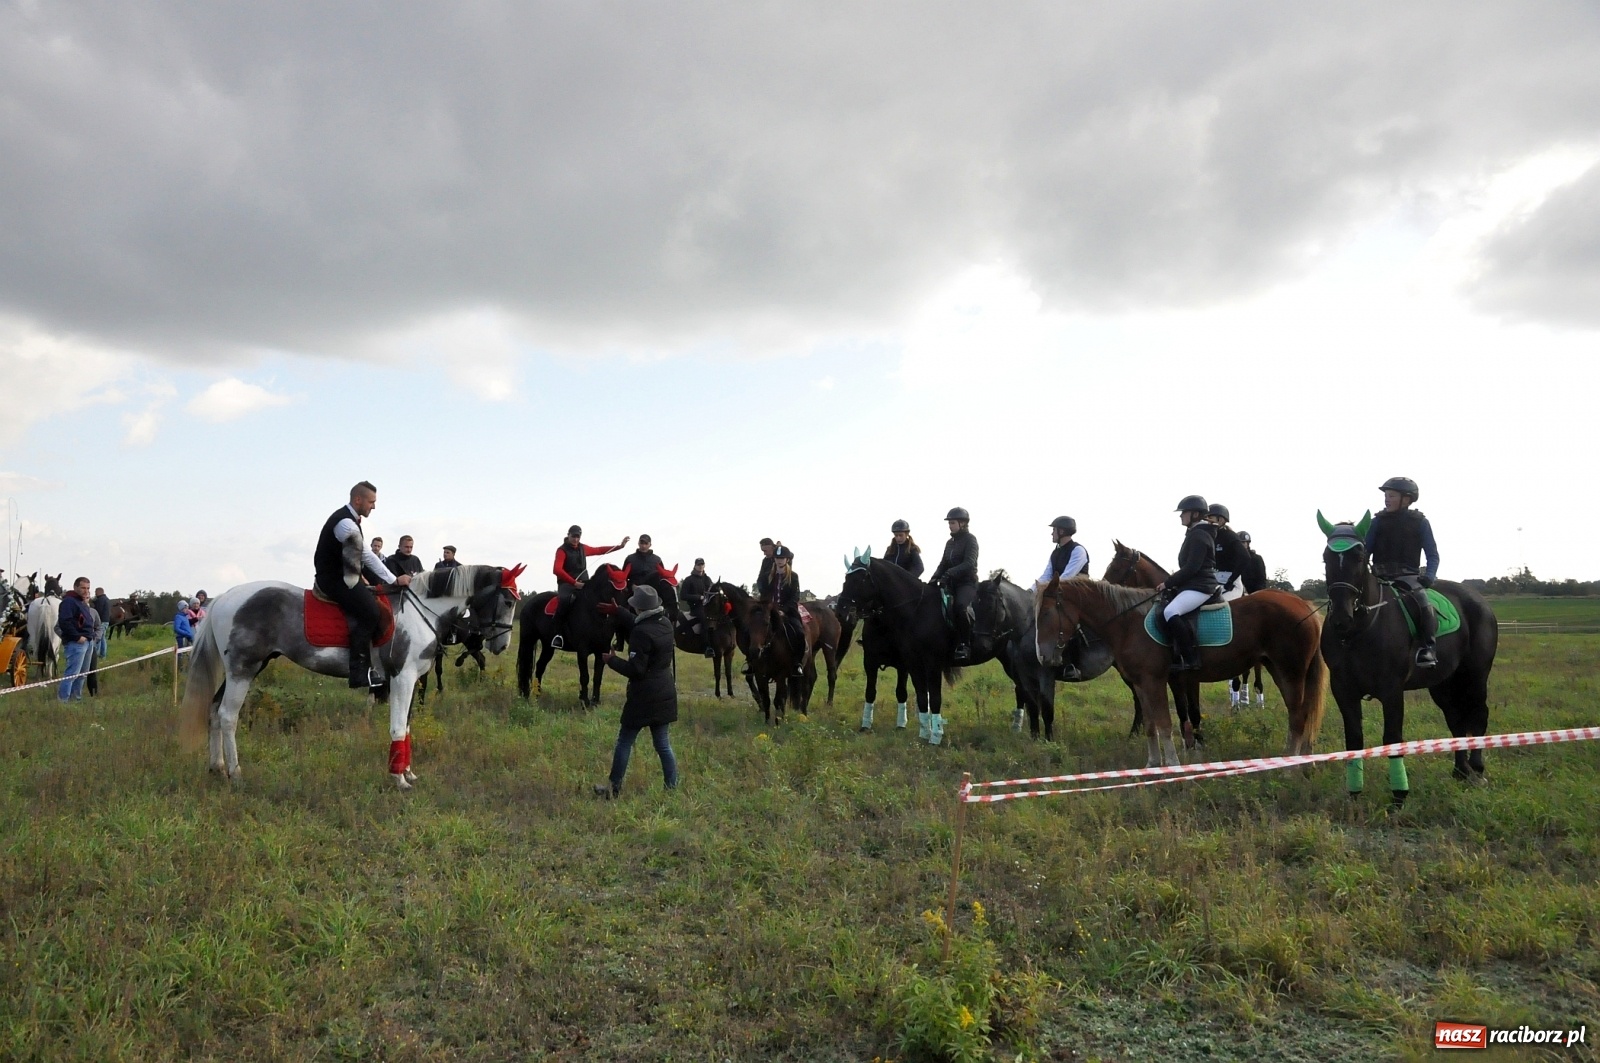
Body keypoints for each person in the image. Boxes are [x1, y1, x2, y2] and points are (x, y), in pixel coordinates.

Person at [315, 481, 411, 691]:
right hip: (333, 578)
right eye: (371, 502)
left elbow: (355, 555)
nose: (373, 506)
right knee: (370, 612)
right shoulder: (345, 524)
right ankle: (358, 671)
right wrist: (394, 580)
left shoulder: (349, 519)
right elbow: (366, 555)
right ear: (358, 500)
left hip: (339, 574)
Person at [595, 583, 679, 799]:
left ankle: (613, 789)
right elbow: (640, 624)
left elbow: (636, 670)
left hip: (643, 696)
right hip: (665, 691)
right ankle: (672, 788)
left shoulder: (641, 633)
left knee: (624, 741)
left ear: (639, 608)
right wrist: (618, 611)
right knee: (663, 744)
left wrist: (612, 661)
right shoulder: (666, 623)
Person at [1364, 476, 1440, 668]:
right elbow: (1365, 552)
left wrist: (1429, 576)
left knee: (1423, 602)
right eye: (1386, 496)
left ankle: (1427, 648)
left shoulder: (1420, 522)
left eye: (1391, 495)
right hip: (1378, 576)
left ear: (1406, 499)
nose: (1386, 499)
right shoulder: (1377, 522)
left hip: (1408, 577)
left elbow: (1432, 555)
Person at [1155, 495, 1219, 672]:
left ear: (1195, 514)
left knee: (1170, 611)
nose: (1181, 516)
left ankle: (1191, 659)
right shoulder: (1195, 534)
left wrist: (1168, 583)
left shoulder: (1199, 535)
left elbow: (1192, 568)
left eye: (1184, 512)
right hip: (1193, 585)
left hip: (1201, 587)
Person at [551, 525, 629, 648]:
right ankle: (558, 634)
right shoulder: (561, 550)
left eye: (578, 537)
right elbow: (557, 570)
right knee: (565, 600)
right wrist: (574, 583)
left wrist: (619, 546)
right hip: (567, 584)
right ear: (568, 535)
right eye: (573, 536)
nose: (576, 539)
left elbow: (599, 550)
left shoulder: (583, 548)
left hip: (584, 583)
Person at [1036, 516, 1091, 678]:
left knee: (1069, 620)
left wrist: (1047, 588)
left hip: (1079, 593)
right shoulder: (1056, 552)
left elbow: (1067, 576)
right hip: (1060, 593)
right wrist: (1032, 590)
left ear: (1062, 531)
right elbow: (1047, 575)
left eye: (1053, 530)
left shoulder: (1078, 550)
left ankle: (1074, 665)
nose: (1051, 533)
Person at [928, 507, 979, 662]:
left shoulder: (971, 540)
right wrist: (934, 578)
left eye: (952, 522)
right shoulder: (949, 543)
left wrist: (949, 574)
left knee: (960, 607)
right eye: (949, 523)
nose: (949, 526)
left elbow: (969, 563)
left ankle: (965, 644)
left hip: (966, 583)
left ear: (962, 523)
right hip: (949, 583)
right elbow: (943, 563)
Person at [763, 546, 807, 677]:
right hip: (770, 611)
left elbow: (795, 596)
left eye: (782, 558)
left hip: (788, 612)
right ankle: (752, 662)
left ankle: (797, 663)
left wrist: (784, 610)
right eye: (777, 558)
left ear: (787, 559)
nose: (779, 561)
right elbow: (765, 594)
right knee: (755, 630)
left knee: (799, 633)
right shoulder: (768, 576)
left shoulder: (793, 577)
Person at [56, 576, 96, 702]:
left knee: (82, 675)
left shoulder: (81, 602)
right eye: (83, 588)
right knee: (72, 674)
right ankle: (63, 701)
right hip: (76, 643)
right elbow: (64, 622)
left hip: (88, 641)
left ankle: (76, 699)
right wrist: (77, 637)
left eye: (88, 588)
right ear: (75, 587)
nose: (86, 591)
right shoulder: (69, 601)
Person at [1207, 504, 1249, 602]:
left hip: (1231, 583)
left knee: (1216, 604)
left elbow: (1245, 558)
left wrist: (1231, 580)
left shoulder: (1230, 536)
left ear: (1220, 520)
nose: (1207, 520)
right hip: (1214, 580)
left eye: (1210, 517)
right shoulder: (1210, 536)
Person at [680, 558, 714, 657]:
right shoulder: (688, 580)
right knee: (705, 619)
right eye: (698, 564)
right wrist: (698, 597)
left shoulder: (708, 579)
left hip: (708, 606)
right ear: (695, 566)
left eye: (702, 564)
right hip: (696, 607)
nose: (700, 566)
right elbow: (683, 595)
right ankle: (706, 647)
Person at [91, 586, 112, 660]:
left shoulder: (100, 600)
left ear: (99, 592)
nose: (95, 593)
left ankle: (97, 654)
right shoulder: (107, 600)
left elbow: (97, 611)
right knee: (103, 638)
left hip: (101, 621)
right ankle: (103, 655)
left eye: (95, 592)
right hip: (106, 620)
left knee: (98, 637)